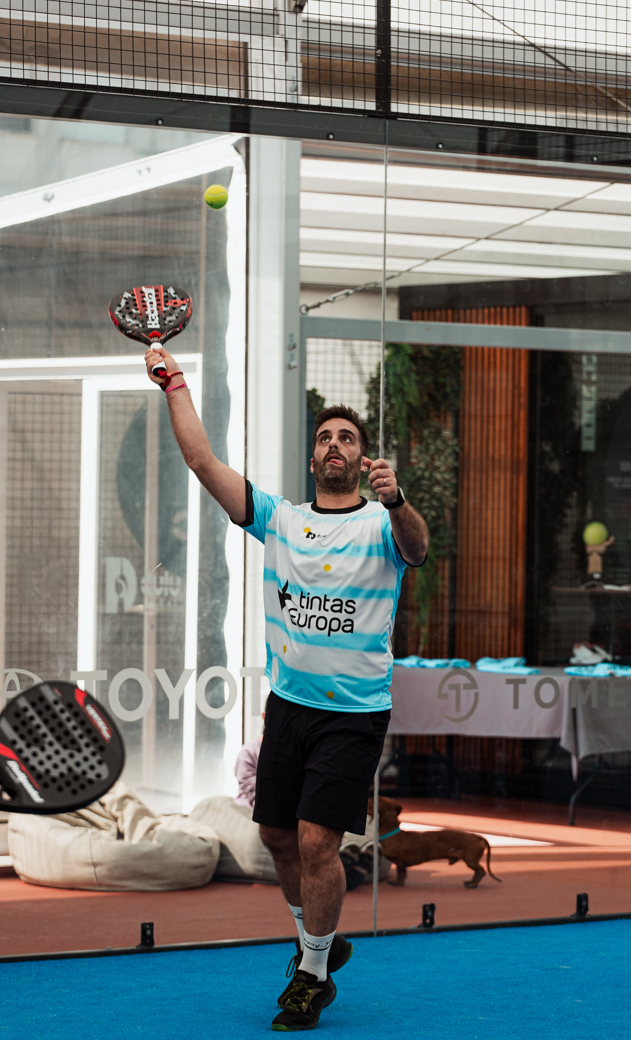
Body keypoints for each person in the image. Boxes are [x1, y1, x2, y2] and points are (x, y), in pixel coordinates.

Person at [145, 344, 429, 1032]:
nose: (335, 444)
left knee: (315, 841)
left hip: (354, 714)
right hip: (289, 707)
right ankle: (319, 943)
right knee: (275, 835)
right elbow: (202, 462)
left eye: (348, 438)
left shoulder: (383, 524)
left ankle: (311, 975)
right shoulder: (280, 519)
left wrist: (397, 499)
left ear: (362, 459)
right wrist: (172, 380)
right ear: (312, 459)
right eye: (325, 436)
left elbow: (419, 547)